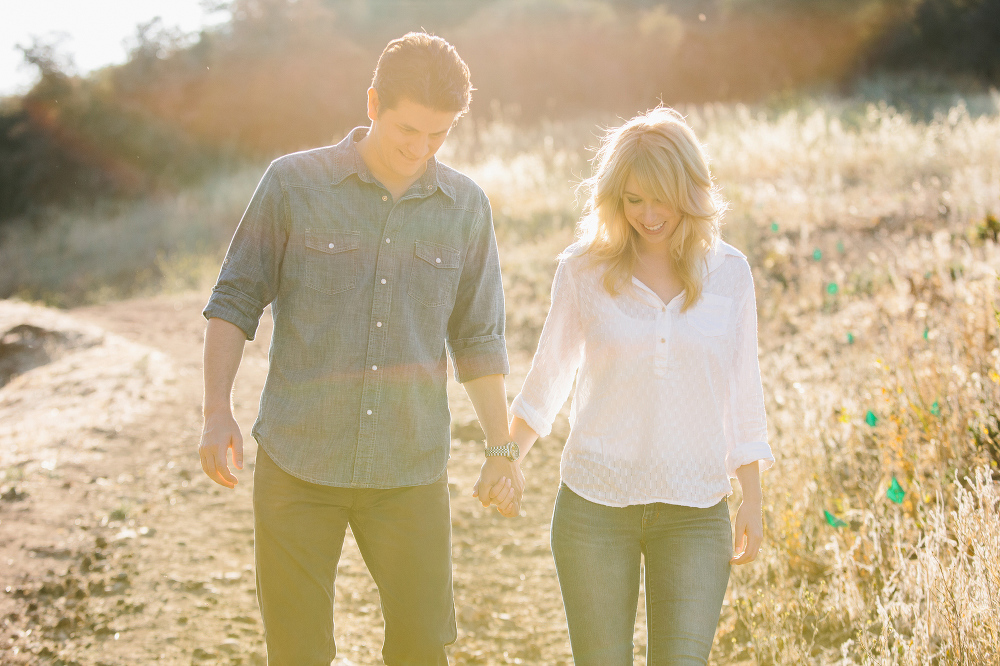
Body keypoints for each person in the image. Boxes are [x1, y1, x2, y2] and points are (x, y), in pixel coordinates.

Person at [198, 32, 522, 666]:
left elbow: (479, 339)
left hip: (410, 471)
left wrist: (501, 448)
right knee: (297, 651)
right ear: (373, 103)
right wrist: (216, 410)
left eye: (438, 136)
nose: (419, 149)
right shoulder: (293, 184)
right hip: (299, 464)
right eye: (408, 129)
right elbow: (234, 300)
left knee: (424, 646)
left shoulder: (466, 208)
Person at [504, 107, 773, 665]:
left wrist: (752, 495)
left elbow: (743, 387)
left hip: (696, 510)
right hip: (595, 508)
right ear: (614, 200)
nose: (649, 215)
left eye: (662, 198)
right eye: (633, 199)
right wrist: (507, 457)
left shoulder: (730, 273)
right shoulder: (582, 270)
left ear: (690, 192)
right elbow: (547, 378)